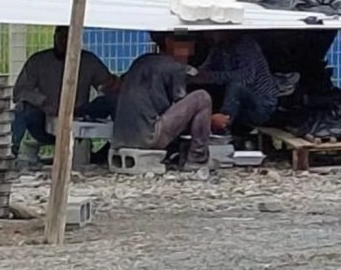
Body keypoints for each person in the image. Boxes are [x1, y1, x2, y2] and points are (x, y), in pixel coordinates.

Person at [12, 26, 117, 156]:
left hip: (79, 114)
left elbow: (107, 84)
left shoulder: (89, 61)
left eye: (68, 37)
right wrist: (43, 101)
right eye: (60, 36)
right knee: (23, 109)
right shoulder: (38, 61)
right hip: (45, 118)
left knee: (115, 101)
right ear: (54, 37)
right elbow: (19, 92)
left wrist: (112, 87)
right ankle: (11, 151)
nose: (63, 41)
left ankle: (115, 146)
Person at [113, 40, 212, 168]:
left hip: (121, 138)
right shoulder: (176, 68)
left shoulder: (141, 61)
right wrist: (209, 118)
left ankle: (178, 152)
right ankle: (198, 159)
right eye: (186, 46)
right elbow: (181, 103)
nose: (190, 51)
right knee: (202, 98)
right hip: (148, 136)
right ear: (169, 44)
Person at [197, 32, 278, 131]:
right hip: (241, 103)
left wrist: (210, 77)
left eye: (210, 33)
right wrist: (193, 76)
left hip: (261, 105)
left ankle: (223, 124)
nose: (207, 37)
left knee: (235, 87)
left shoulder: (246, 46)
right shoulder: (219, 48)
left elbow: (246, 77)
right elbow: (206, 69)